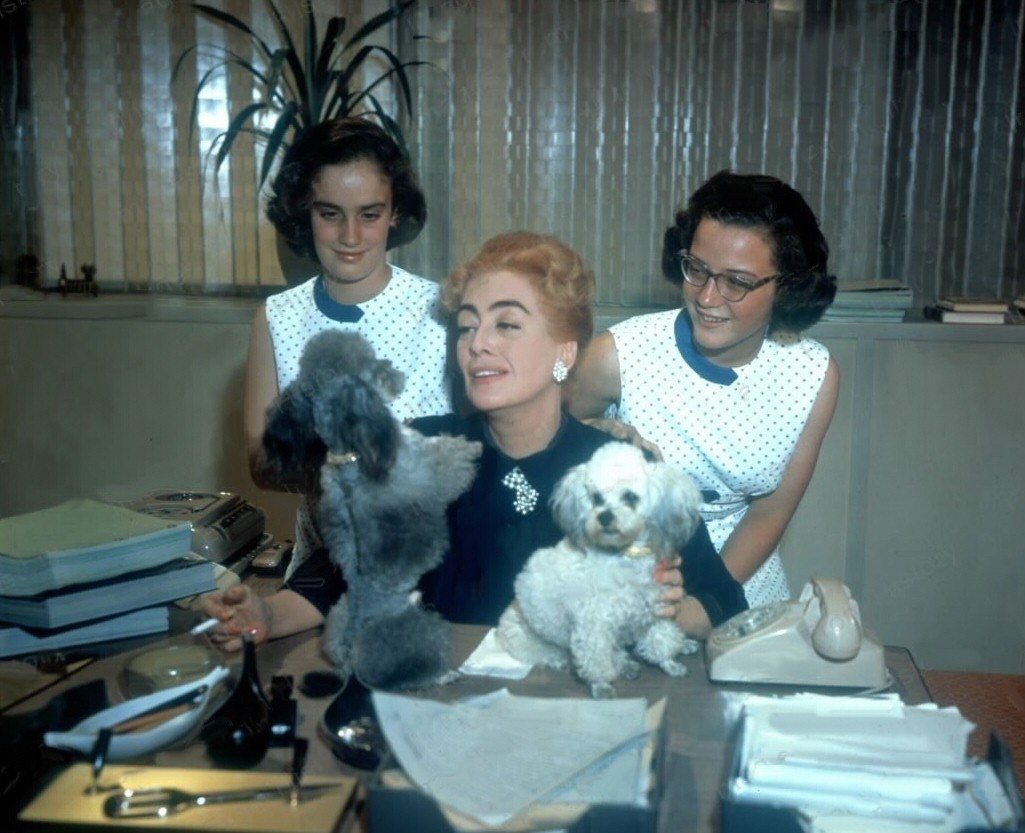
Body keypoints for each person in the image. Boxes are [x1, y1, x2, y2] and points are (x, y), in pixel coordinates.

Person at [201, 232, 747, 651]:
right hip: (443, 714)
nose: (477, 345)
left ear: (565, 351)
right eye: (467, 326)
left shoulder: (625, 469)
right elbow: (336, 576)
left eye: (506, 325)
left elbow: (724, 601)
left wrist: (668, 612)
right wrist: (267, 616)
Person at [569, 170, 839, 608]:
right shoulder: (618, 354)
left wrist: (709, 602)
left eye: (737, 282)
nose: (707, 298)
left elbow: (771, 511)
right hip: (629, 574)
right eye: (697, 269)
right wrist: (594, 437)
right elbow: (546, 444)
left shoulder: (814, 375)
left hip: (742, 576)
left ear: (787, 285)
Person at [247, 116, 451, 579]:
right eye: (330, 213)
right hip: (323, 570)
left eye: (370, 214)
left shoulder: (444, 312)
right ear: (304, 210)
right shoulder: (276, 317)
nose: (351, 237)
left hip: (431, 564)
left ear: (395, 213)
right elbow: (261, 463)